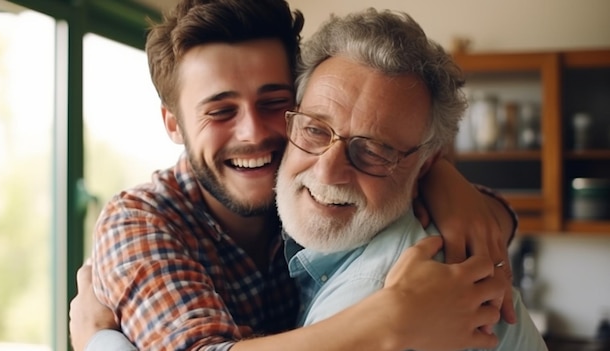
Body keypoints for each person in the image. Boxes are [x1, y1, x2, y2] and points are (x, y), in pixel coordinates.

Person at [69, 0, 519, 350]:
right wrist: (394, 318)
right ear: (173, 124)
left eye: (273, 103)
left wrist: (448, 182)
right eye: (221, 111)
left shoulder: (319, 189)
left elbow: (457, 205)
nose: (254, 132)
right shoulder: (140, 223)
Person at [275, 8, 547, 350]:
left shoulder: (379, 289)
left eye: (373, 151)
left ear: (424, 167)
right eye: (315, 130)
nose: (327, 170)